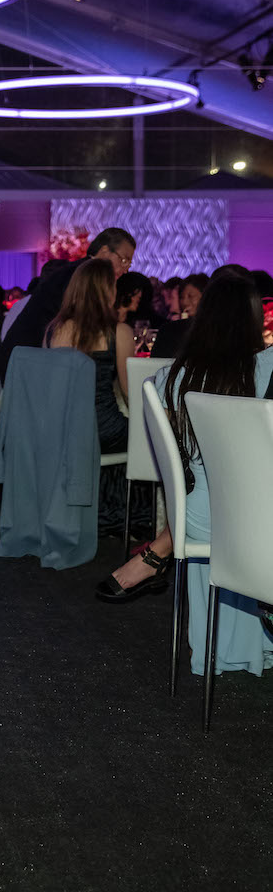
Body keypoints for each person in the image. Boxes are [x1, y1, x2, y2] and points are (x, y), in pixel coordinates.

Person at [96, 274, 273, 687]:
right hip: (248, 521)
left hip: (191, 517)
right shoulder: (267, 367)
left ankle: (156, 555)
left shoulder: (169, 378)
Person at [0, 227, 137, 381]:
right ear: (104, 251)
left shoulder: (74, 271)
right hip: (27, 369)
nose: (125, 270)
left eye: (129, 264)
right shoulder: (79, 278)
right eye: (123, 260)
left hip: (29, 363)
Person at [47, 257, 134, 453]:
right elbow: (130, 394)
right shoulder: (119, 333)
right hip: (103, 431)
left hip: (61, 431)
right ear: (109, 291)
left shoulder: (53, 330)